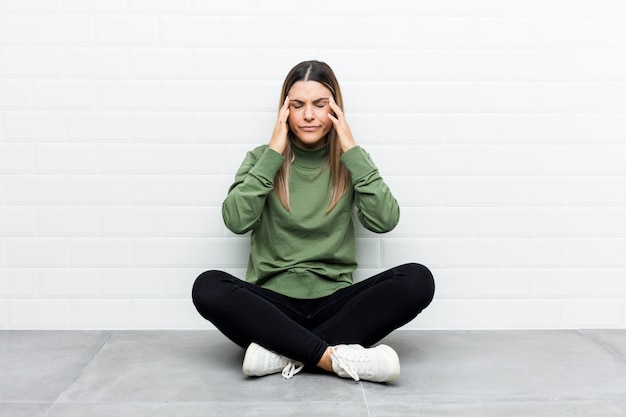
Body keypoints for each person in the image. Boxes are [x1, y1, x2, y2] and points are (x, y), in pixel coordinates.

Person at [192, 60, 435, 383]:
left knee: (418, 279)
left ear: (335, 109)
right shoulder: (260, 159)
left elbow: (385, 220)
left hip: (335, 304)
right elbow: (236, 220)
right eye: (297, 105)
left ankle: (281, 352)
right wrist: (273, 153)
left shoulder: (351, 162)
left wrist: (350, 148)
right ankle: (332, 357)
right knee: (207, 286)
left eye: (320, 105)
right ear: (284, 111)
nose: (308, 115)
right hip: (274, 308)